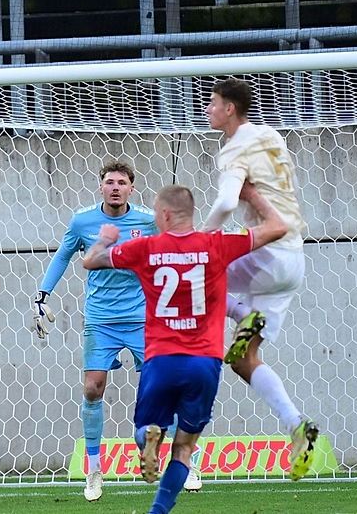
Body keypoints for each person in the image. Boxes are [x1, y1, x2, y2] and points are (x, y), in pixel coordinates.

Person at [82, 183, 288, 514]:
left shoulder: (145, 247)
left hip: (161, 359)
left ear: (163, 214)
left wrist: (105, 239)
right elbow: (278, 227)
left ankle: (149, 436)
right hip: (204, 362)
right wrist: (251, 195)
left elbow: (90, 262)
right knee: (185, 449)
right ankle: (158, 510)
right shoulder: (216, 245)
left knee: (147, 428)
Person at [33, 161, 202, 501]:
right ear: (100, 187)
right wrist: (42, 294)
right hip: (100, 320)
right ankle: (94, 472)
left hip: (143, 319)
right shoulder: (83, 222)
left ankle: (185, 461)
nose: (115, 187)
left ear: (131, 188)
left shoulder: (145, 221)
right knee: (93, 389)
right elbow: (63, 256)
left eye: (121, 182)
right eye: (109, 182)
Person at [203, 77, 320, 481]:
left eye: (213, 103)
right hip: (293, 259)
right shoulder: (271, 134)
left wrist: (203, 241)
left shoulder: (233, 147)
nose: (208, 109)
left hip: (265, 253)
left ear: (230, 109)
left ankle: (239, 313)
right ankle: (296, 426)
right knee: (245, 360)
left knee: (195, 272)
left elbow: (225, 201)